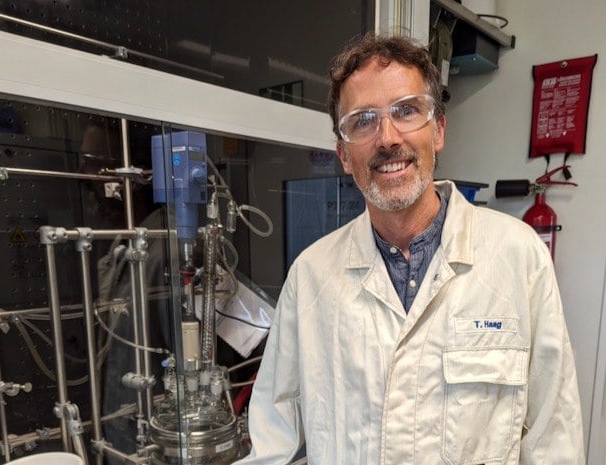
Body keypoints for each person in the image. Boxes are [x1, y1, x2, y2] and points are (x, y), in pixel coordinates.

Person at [235, 33, 585, 465]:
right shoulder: (311, 277)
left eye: (406, 111)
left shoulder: (517, 256)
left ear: (437, 130)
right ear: (344, 154)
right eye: (363, 120)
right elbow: (274, 443)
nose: (387, 137)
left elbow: (554, 438)